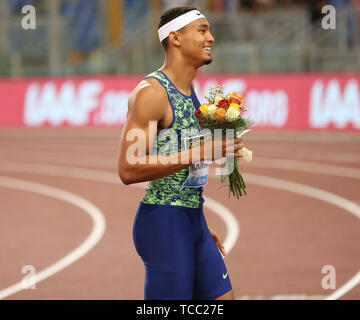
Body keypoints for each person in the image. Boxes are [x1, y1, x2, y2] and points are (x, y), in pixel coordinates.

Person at [117, 6, 244, 300]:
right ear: (175, 37)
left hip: (193, 221)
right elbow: (128, 169)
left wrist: (199, 220)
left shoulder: (190, 91)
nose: (211, 37)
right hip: (164, 224)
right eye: (202, 30)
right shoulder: (152, 93)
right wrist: (201, 151)